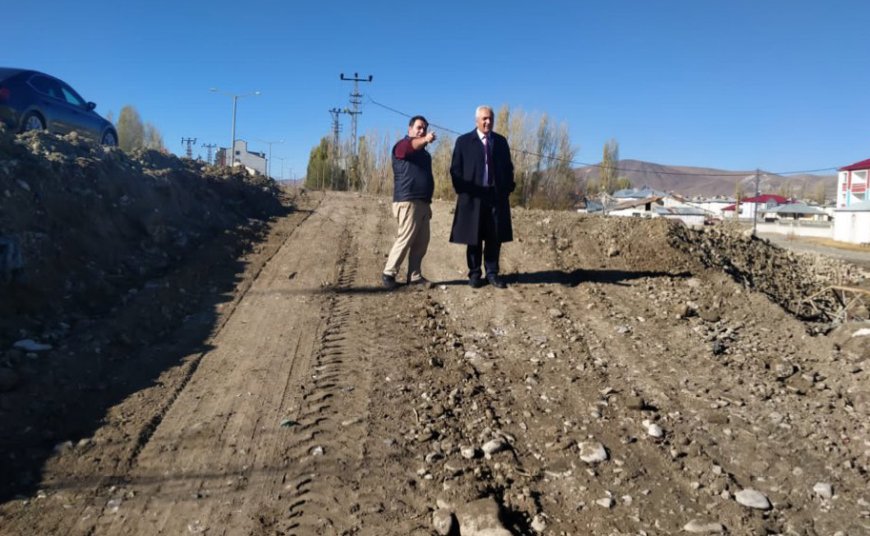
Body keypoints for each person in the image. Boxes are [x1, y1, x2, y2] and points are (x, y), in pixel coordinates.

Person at [449, 105, 515, 289]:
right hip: (473, 196)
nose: (488, 122)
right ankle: (475, 273)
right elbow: (455, 169)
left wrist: (507, 188)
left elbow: (508, 168)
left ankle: (492, 273)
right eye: (484, 118)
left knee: (494, 237)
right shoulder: (463, 142)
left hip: (495, 196)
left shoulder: (500, 142)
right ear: (476, 120)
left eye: (490, 119)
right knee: (474, 236)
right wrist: (463, 190)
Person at [382, 115, 437, 290]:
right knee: (405, 239)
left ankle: (414, 276)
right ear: (410, 129)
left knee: (422, 242)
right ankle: (388, 274)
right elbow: (412, 146)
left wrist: (428, 203)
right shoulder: (402, 146)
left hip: (422, 203)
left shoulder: (425, 156)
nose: (422, 131)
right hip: (407, 201)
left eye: (424, 129)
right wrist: (425, 140)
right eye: (419, 127)